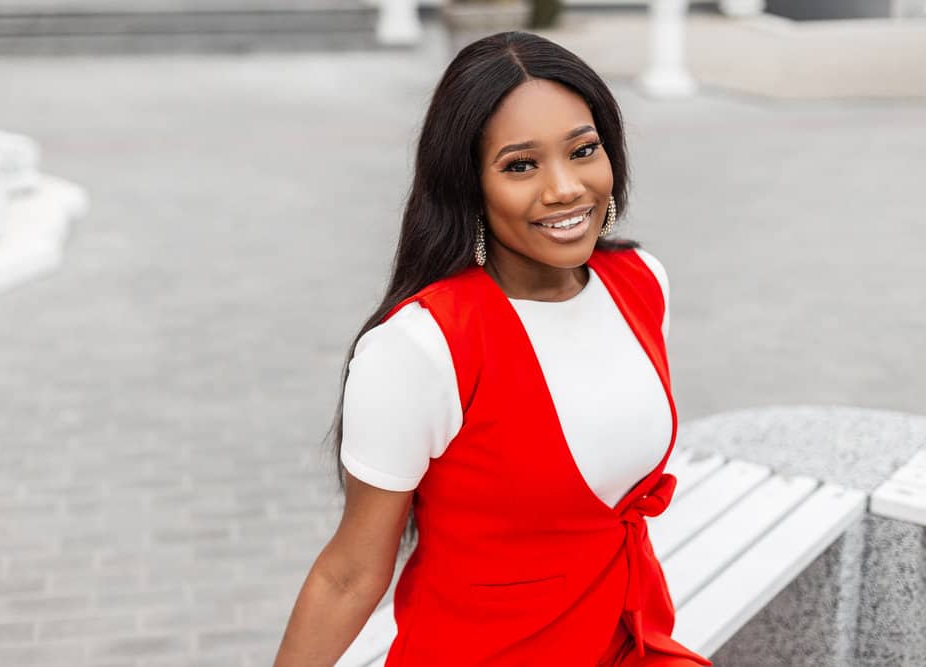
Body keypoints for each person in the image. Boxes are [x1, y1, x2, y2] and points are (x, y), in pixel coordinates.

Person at [274, 31, 711, 667]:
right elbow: (349, 574)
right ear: (469, 186)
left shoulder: (642, 281)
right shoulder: (419, 347)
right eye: (520, 165)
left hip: (629, 638)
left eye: (583, 150)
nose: (564, 188)